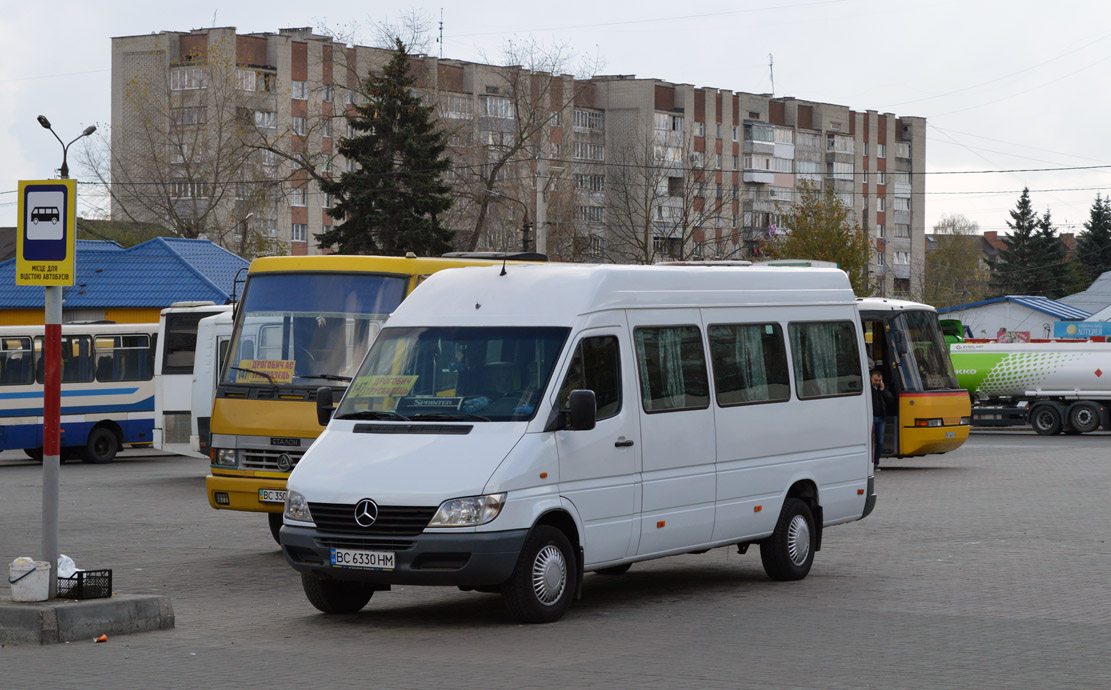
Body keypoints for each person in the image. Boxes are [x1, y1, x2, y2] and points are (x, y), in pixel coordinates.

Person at [871, 369, 895, 471]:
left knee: (880, 442)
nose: (877, 382)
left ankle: (876, 463)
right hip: (870, 418)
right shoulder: (867, 389)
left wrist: (883, 390)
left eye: (879, 380)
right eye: (875, 380)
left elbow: (891, 401)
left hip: (881, 418)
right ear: (871, 379)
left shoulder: (883, 389)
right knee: (870, 442)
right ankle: (869, 463)